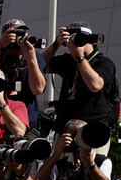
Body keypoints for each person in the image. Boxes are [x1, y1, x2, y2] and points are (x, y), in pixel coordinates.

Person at [42, 21, 118, 154]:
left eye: (79, 39)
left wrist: (80, 58)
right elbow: (39, 64)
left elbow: (95, 85)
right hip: (66, 130)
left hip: (94, 130)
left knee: (92, 171)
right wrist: (56, 44)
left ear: (90, 40)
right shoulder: (68, 60)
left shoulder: (104, 62)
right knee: (59, 170)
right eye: (71, 40)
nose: (74, 44)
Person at [0, 19, 46, 128]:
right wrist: (0, 46)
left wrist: (31, 59)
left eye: (24, 33)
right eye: (16, 33)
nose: (20, 37)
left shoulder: (35, 56)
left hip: (25, 122)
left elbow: (38, 89)